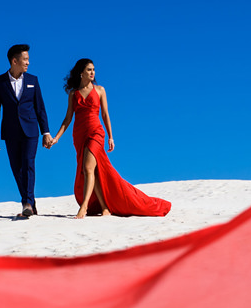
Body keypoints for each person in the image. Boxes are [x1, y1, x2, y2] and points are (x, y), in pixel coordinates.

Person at [48, 59, 171, 218]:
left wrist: (111, 137)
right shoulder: (73, 94)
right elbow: (67, 119)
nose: (92, 73)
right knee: (94, 171)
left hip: (96, 132)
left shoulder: (99, 90)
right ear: (81, 73)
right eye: (89, 70)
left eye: (93, 70)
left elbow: (105, 115)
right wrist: (57, 137)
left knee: (87, 168)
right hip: (79, 135)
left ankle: (84, 207)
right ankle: (105, 207)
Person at [0, 44, 54, 218]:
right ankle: (30, 202)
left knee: (28, 164)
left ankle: (26, 202)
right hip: (10, 132)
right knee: (16, 168)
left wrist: (45, 132)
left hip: (31, 130)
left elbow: (40, 108)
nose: (28, 62)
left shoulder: (33, 80)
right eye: (25, 59)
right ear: (14, 61)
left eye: (28, 59)